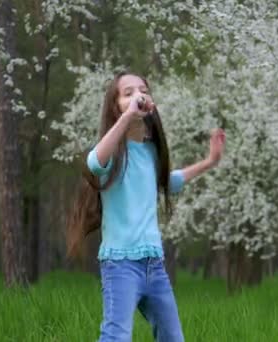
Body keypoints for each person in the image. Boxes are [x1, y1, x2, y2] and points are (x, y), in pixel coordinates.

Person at [67, 71, 225, 341]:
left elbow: (168, 182)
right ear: (115, 106)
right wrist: (128, 116)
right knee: (116, 337)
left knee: (173, 338)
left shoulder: (152, 152)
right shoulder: (113, 152)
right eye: (127, 93)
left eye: (143, 90)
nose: (137, 95)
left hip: (154, 265)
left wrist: (209, 162)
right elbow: (94, 163)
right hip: (120, 264)